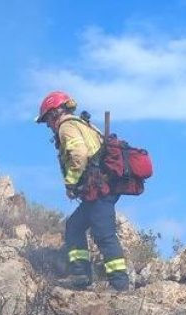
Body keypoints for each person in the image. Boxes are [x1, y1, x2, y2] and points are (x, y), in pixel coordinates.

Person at [36, 90, 130, 292]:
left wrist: (71, 183)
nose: (48, 125)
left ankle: (120, 285)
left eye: (47, 120)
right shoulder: (81, 124)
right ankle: (80, 275)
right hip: (97, 189)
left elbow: (79, 154)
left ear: (54, 113)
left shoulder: (66, 127)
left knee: (105, 235)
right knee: (74, 226)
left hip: (99, 189)